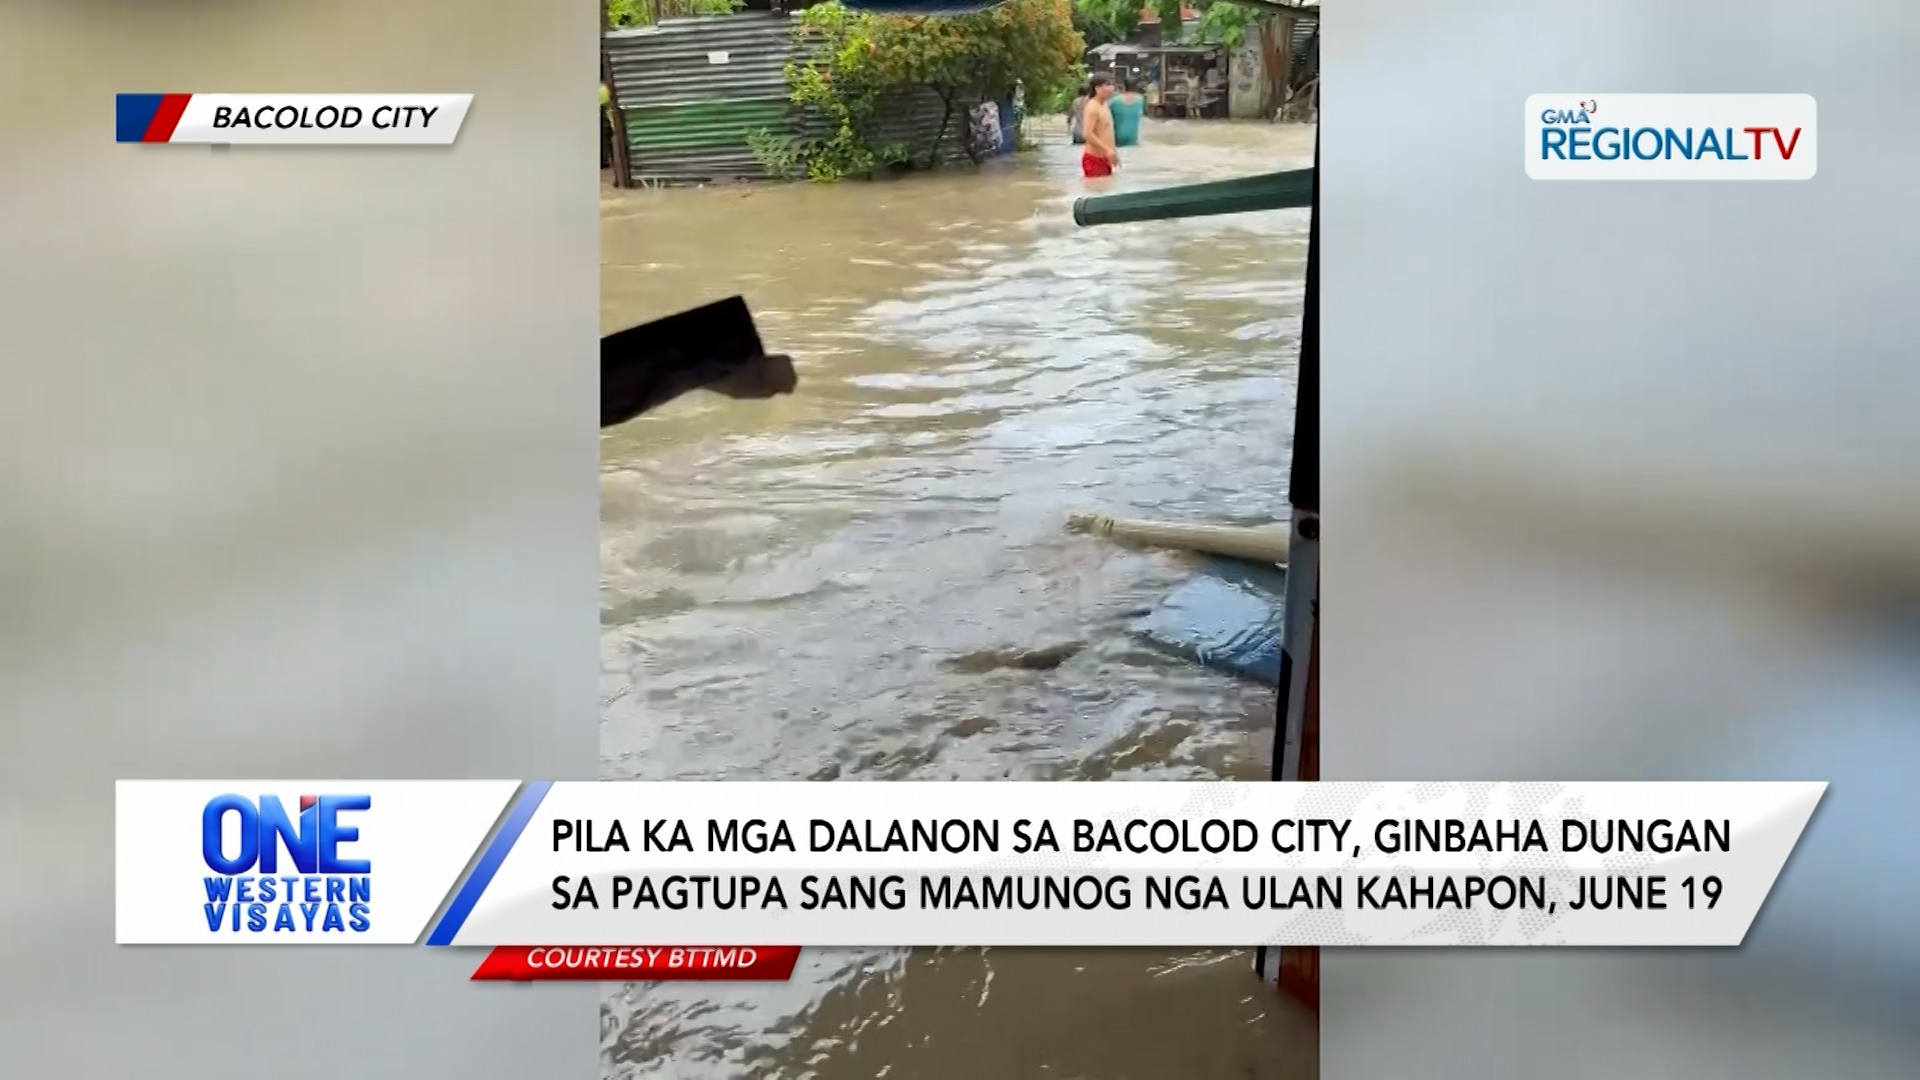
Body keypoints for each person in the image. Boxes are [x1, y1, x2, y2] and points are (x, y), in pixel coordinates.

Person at [1080, 73, 1118, 179]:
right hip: (1094, 158)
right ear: (1097, 88)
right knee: (1096, 191)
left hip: (1105, 157)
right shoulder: (1092, 107)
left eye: (1112, 85)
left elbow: (1107, 131)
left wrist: (1114, 151)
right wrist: (1108, 150)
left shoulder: (1105, 105)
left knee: (1107, 189)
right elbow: (1087, 134)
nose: (1111, 88)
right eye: (1108, 85)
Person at [1110, 77, 1146, 148]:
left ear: (1124, 86)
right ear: (1136, 86)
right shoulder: (1140, 99)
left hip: (1116, 136)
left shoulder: (1115, 100)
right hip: (1133, 137)